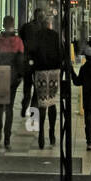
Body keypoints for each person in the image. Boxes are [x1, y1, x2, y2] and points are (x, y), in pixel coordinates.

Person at [0, 16, 25, 150]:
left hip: (0, 74)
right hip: (12, 76)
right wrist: (21, 76)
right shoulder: (18, 41)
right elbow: (21, 60)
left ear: (3, 25)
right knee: (9, 108)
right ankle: (7, 138)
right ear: (13, 25)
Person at [30, 18, 61, 149]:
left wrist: (32, 71)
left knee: (42, 103)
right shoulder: (55, 35)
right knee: (52, 102)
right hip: (54, 72)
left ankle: (41, 133)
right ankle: (52, 133)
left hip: (40, 72)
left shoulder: (36, 36)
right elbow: (61, 52)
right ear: (50, 25)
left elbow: (31, 53)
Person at [19, 7, 44, 117]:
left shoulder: (26, 26)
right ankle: (33, 110)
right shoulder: (43, 29)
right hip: (38, 61)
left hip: (28, 60)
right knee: (37, 87)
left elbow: (21, 39)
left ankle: (25, 106)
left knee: (27, 85)